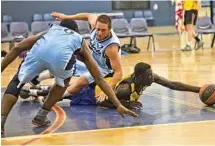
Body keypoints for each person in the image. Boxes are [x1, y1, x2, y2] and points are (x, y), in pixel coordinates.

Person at [1, 19, 137, 134]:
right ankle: (40, 117)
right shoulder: (79, 39)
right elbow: (99, 78)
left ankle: (1, 120)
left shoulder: (51, 30)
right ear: (76, 31)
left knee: (17, 81)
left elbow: (16, 49)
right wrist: (117, 104)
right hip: (63, 60)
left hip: (39, 52)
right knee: (63, 81)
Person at [21, 62, 201, 109]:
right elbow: (104, 102)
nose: (152, 77)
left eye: (151, 74)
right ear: (138, 77)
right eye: (148, 75)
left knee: (65, 94)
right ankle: (32, 90)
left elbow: (173, 84)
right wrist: (124, 105)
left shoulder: (150, 78)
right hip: (95, 95)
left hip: (102, 87)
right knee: (64, 96)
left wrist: (198, 89)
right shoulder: (125, 89)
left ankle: (33, 91)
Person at [37, 12, 122, 101]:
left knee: (82, 81)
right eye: (98, 29)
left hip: (103, 69)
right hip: (91, 60)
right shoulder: (95, 25)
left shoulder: (111, 48)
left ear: (109, 29)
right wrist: (67, 16)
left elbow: (118, 72)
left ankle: (55, 98)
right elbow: (88, 15)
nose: (100, 33)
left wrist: (108, 90)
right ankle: (36, 80)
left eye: (103, 30)